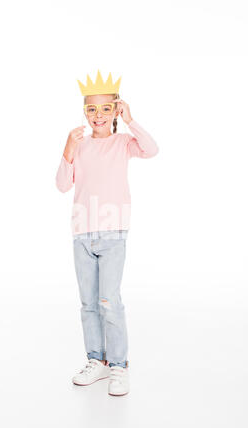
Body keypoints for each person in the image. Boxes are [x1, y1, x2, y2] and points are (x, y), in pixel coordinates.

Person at [55, 70, 159, 396]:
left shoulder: (123, 143)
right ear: (84, 112)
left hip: (113, 232)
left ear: (115, 110)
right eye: (91, 109)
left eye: (105, 109)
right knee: (88, 303)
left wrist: (132, 120)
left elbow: (152, 149)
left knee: (108, 301)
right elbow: (62, 184)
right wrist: (68, 148)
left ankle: (119, 365)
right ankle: (96, 360)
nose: (97, 115)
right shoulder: (81, 145)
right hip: (82, 232)